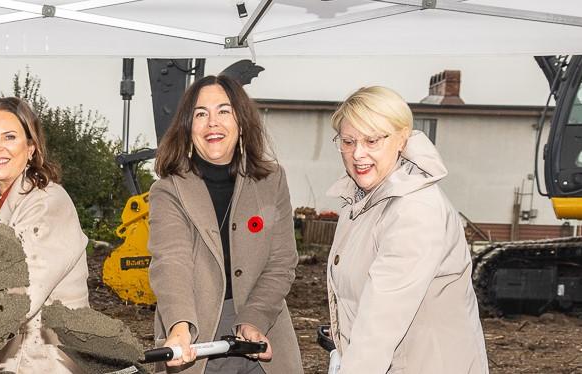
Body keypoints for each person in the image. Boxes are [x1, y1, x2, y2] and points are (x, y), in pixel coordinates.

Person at [324, 86, 489, 374]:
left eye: (372, 140)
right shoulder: (361, 201)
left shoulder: (414, 209)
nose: (358, 153)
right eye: (348, 141)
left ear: (401, 139)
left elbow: (382, 318)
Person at [147, 76, 303, 374]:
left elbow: (281, 261)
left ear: (241, 122)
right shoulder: (168, 190)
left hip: (262, 327)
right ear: (187, 127)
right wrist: (180, 325)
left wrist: (253, 318)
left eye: (224, 111)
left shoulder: (272, 181)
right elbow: (171, 262)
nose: (212, 123)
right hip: (195, 333)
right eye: (201, 114)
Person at [0, 97, 89, 373]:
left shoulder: (48, 202)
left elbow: (22, 289)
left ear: (31, 147)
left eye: (9, 137)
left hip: (48, 356)